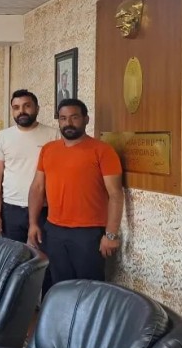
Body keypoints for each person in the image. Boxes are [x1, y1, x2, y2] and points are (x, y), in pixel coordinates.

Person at [28, 99, 123, 285]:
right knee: (60, 284)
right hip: (54, 230)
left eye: (74, 117)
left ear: (86, 119)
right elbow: (37, 188)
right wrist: (33, 223)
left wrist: (111, 235)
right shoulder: (48, 149)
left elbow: (116, 195)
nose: (68, 123)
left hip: (89, 233)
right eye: (63, 118)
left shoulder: (103, 151)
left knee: (89, 287)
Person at [0, 89, 59, 242]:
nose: (21, 111)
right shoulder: (3, 136)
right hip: (11, 208)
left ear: (37, 108)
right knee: (13, 254)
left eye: (27, 106)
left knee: (42, 255)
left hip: (45, 208)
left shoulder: (54, 135)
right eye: (16, 107)